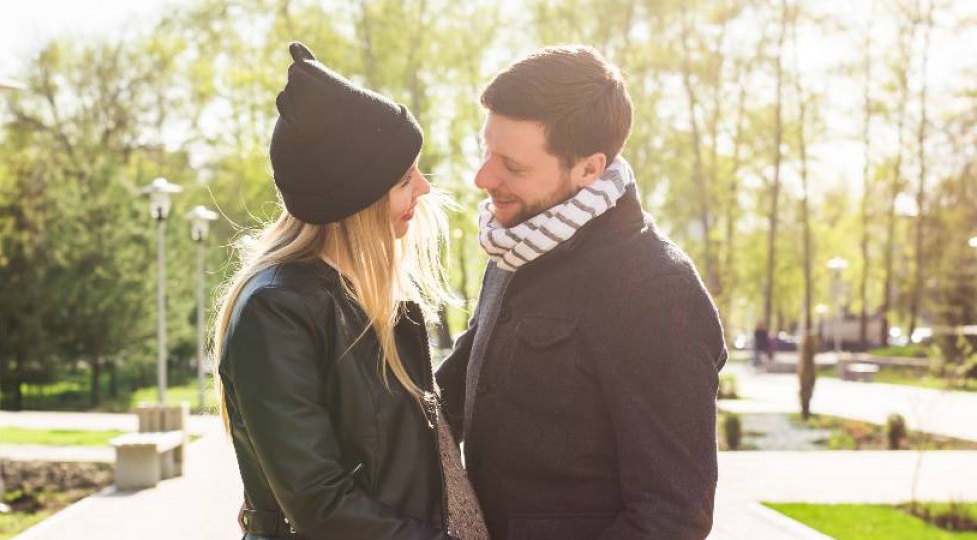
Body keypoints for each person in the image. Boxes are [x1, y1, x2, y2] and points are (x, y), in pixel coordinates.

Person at [436, 45, 728, 540]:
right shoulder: (517, 249)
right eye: (487, 153)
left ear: (590, 169)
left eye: (513, 165)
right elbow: (448, 398)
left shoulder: (657, 289)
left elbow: (673, 517)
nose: (484, 178)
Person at [214, 42, 484, 540]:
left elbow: (420, 426)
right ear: (355, 200)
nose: (423, 190)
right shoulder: (274, 312)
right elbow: (321, 505)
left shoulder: (373, 296)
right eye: (405, 179)